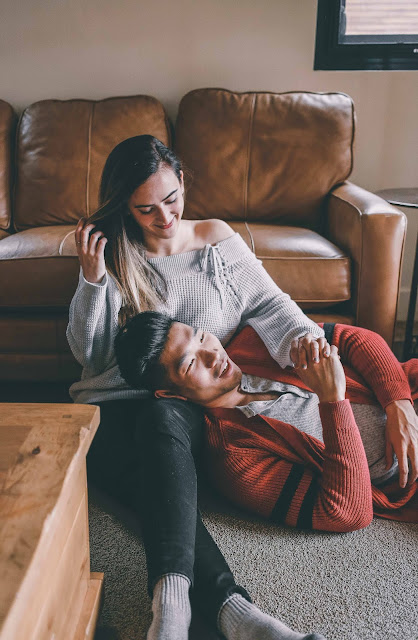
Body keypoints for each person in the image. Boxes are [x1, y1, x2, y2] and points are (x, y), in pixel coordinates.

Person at [66, 135, 328, 640]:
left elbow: (272, 307)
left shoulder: (216, 243)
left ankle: (175, 617)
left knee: (158, 475)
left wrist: (310, 345)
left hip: (181, 404)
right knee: (159, 494)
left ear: (183, 180)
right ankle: (237, 616)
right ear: (125, 206)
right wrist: (92, 280)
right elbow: (90, 358)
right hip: (113, 408)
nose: (164, 217)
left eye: (171, 199)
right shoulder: (113, 251)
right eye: (146, 209)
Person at [114, 311, 418, 531]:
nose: (212, 355)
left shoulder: (252, 340)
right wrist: (332, 400)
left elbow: (353, 338)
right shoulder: (236, 458)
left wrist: (398, 405)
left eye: (202, 337)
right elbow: (345, 513)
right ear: (171, 393)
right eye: (191, 363)